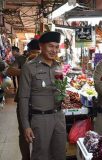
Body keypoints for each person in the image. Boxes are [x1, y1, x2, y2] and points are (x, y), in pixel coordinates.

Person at [19, 32, 66, 160]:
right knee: (41, 155)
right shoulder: (29, 67)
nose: (54, 50)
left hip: (59, 117)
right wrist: (26, 125)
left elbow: (60, 90)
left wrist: (64, 97)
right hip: (40, 119)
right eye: (51, 46)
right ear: (41, 46)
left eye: (57, 47)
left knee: (60, 153)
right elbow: (23, 98)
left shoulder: (58, 66)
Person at [6, 39, 40, 160]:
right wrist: (26, 71)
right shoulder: (21, 59)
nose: (36, 54)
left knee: (40, 134)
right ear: (29, 51)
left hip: (42, 104)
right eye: (34, 52)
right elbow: (9, 70)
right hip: (23, 102)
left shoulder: (46, 60)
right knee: (24, 134)